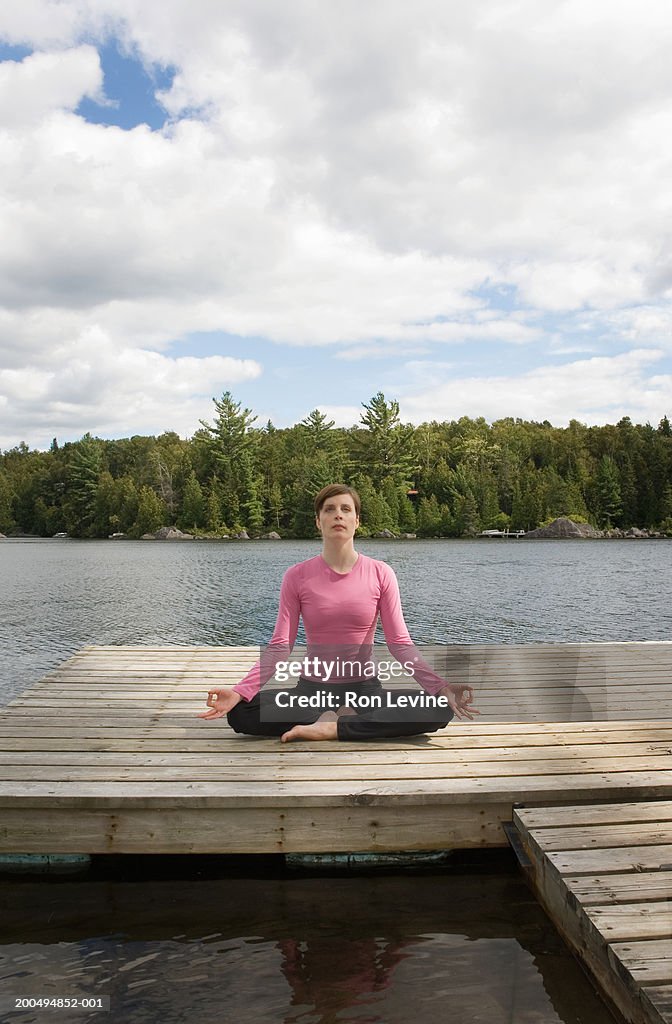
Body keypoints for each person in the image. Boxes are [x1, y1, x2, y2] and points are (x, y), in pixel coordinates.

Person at [198, 483, 478, 741]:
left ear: (357, 521)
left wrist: (440, 687)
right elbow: (280, 646)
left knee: (438, 707)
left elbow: (399, 644)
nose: (338, 515)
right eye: (329, 510)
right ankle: (335, 720)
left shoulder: (381, 573)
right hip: (311, 692)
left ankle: (332, 727)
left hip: (365, 690)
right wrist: (240, 691)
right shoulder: (297, 576)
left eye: (346, 509)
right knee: (241, 712)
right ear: (318, 521)